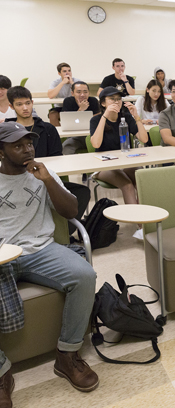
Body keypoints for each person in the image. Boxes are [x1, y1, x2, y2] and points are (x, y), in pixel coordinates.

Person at [0, 122, 99, 407]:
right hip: (4, 253)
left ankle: (67, 355)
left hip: (42, 249)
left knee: (84, 275)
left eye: (29, 143)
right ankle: (2, 372)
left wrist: (48, 181)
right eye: (17, 146)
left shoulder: (43, 173)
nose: (27, 149)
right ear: (1, 151)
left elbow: (70, 211)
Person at [6, 86, 90, 232]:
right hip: (17, 183)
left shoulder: (48, 129)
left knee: (82, 192)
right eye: (19, 104)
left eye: (27, 103)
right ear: (11, 106)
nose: (25, 108)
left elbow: (58, 158)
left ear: (32, 103)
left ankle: (64, 232)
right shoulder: (6, 131)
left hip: (46, 179)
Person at [90, 86, 149, 240]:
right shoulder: (96, 119)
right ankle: (141, 227)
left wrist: (136, 117)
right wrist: (105, 116)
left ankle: (148, 219)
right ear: (103, 103)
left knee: (143, 179)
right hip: (104, 165)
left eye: (118, 99)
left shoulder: (126, 117)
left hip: (125, 161)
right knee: (127, 185)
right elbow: (96, 144)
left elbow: (144, 139)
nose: (116, 102)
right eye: (112, 99)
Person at [61, 81, 100, 155]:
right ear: (72, 93)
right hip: (75, 136)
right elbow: (67, 122)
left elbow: (97, 119)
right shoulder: (68, 101)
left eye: (85, 92)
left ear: (89, 93)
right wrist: (81, 110)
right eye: (78, 92)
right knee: (66, 147)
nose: (82, 95)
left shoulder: (93, 101)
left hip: (93, 135)